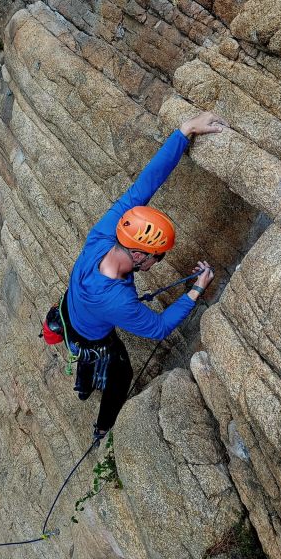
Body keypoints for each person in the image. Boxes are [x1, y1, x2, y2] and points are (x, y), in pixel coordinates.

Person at [60, 111, 227, 443]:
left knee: (83, 356)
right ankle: (103, 427)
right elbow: (159, 327)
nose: (159, 262)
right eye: (157, 256)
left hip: (70, 312)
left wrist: (184, 132)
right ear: (138, 254)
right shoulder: (118, 300)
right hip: (93, 333)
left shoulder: (107, 233)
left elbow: (144, 185)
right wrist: (196, 289)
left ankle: (84, 386)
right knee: (120, 374)